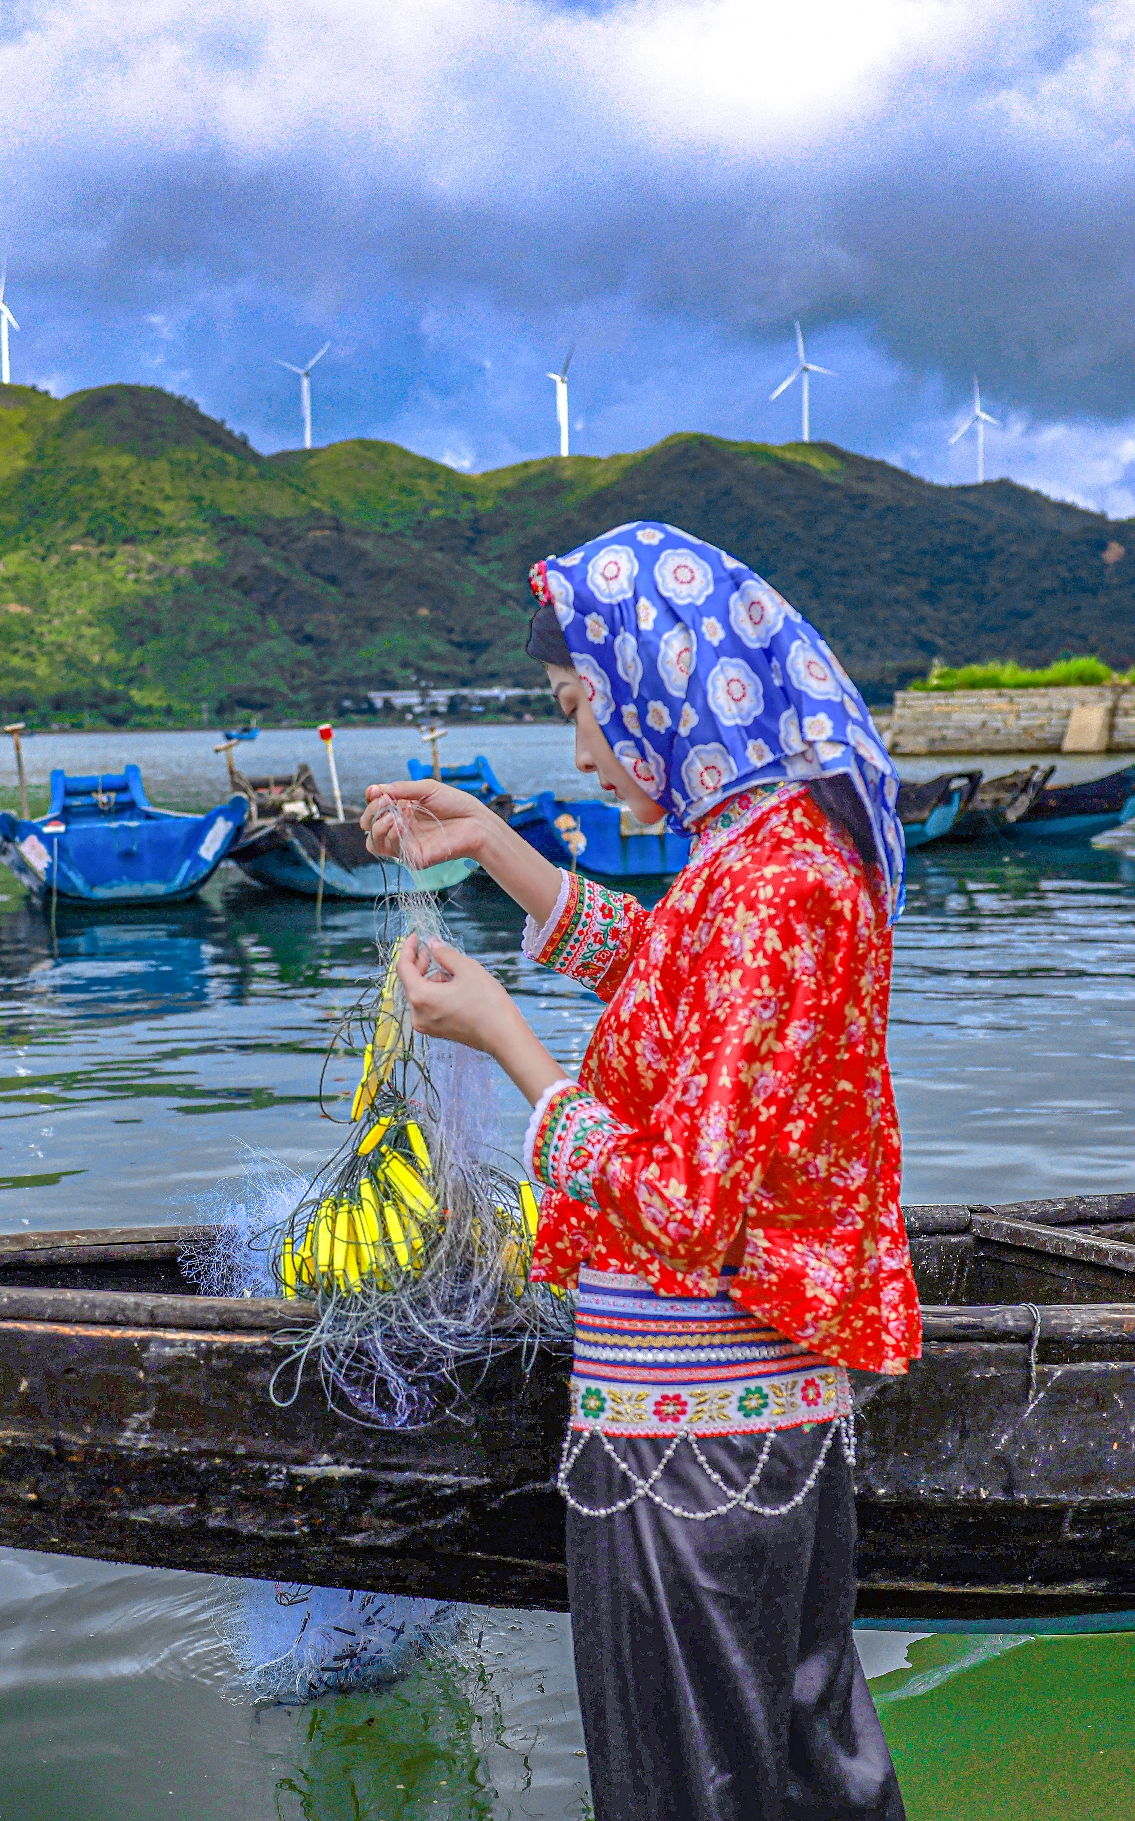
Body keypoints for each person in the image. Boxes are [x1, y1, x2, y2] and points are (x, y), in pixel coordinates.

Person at [360, 521, 918, 1821]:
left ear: (663, 685)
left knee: (687, 1788)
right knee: (811, 1768)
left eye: (583, 710)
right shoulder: (771, 852)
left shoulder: (771, 880)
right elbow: (670, 972)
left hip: (692, 1449)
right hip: (767, 1427)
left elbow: (682, 1200)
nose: (584, 750)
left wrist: (507, 1040)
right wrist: (496, 844)